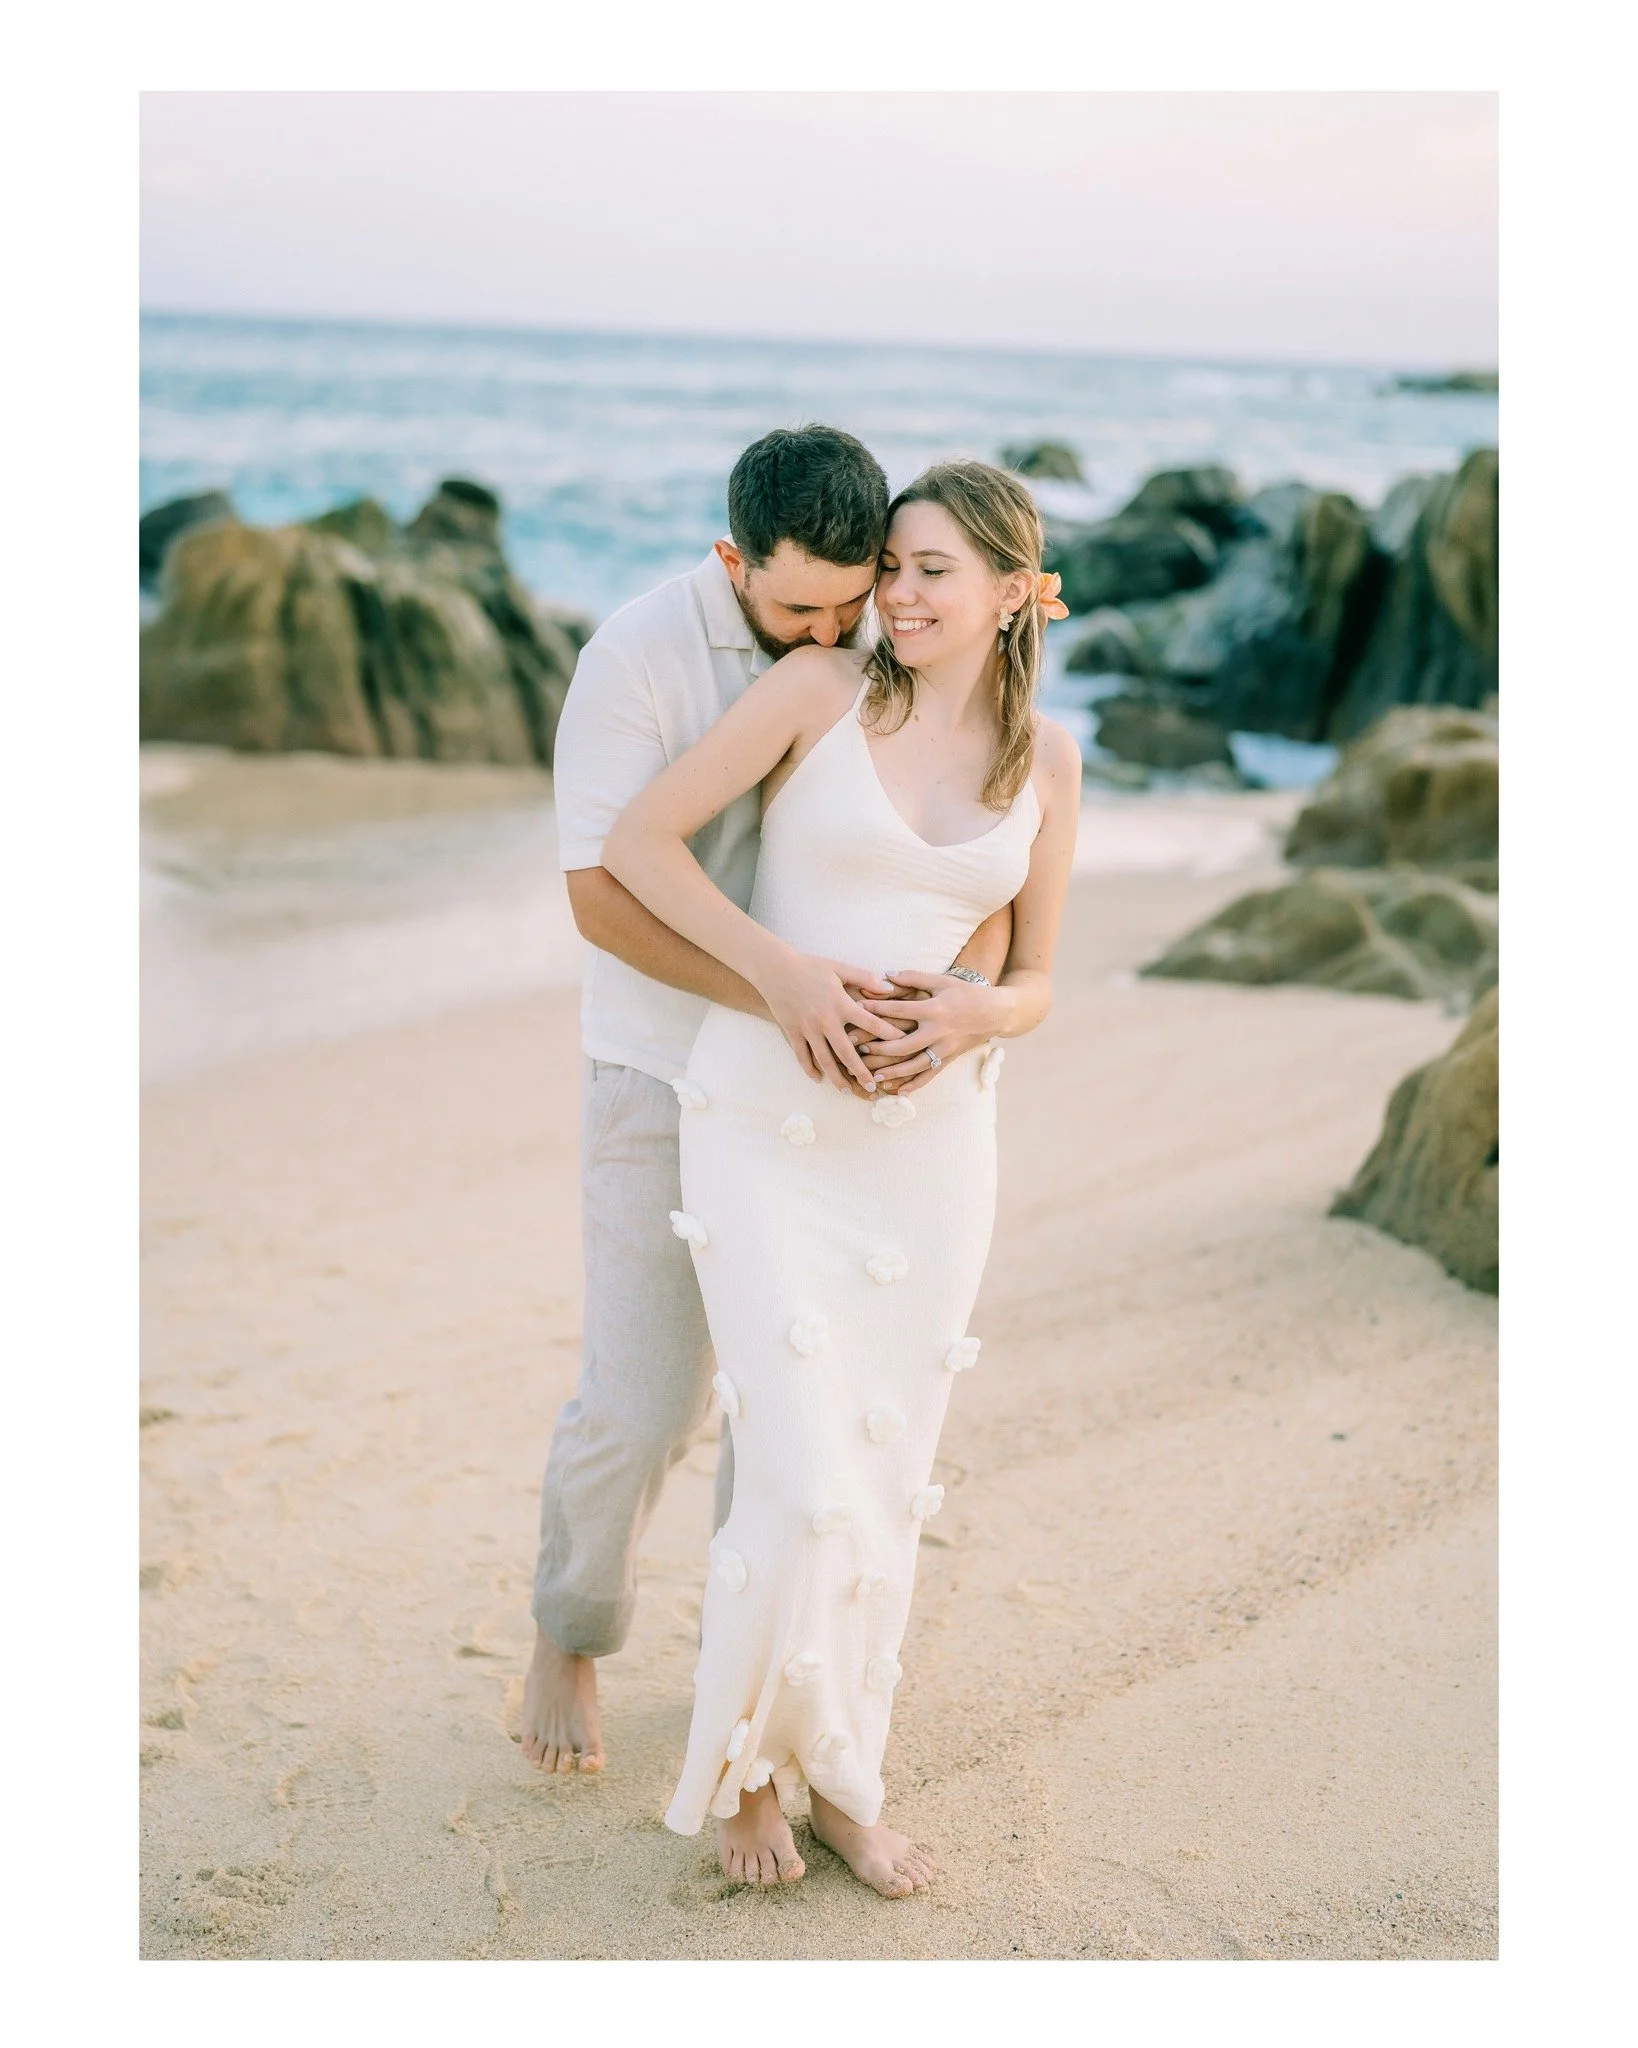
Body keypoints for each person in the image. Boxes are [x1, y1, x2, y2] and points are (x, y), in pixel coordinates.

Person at [601, 459, 1079, 1895]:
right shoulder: (820, 696)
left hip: (931, 1145)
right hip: (766, 1117)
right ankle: (749, 1769)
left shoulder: (1044, 759)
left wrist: (976, 1013)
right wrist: (782, 973)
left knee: (881, 1473)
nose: (902, 593)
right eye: (895, 566)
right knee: (799, 1463)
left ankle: (841, 1776)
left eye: (936, 569)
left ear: (1011, 590)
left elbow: (1040, 971)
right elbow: (636, 845)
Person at [522, 427, 1014, 1786]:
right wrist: (777, 982)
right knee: (643, 1401)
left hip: (816, 1082)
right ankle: (569, 1628)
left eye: (855, 599)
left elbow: (949, 852)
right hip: (656, 1060)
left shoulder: (872, 651)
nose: (838, 628)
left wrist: (964, 997)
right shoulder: (636, 657)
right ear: (733, 558)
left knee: (787, 1410)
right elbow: (597, 895)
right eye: (800, 606)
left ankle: (743, 1717)